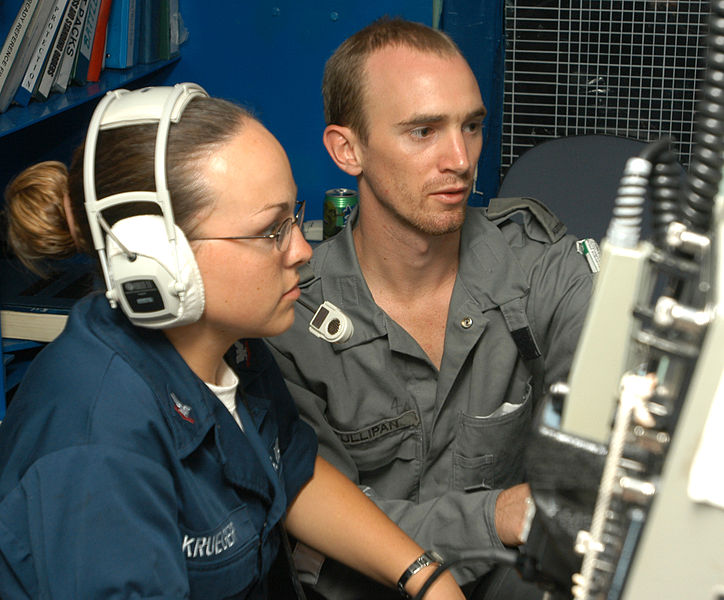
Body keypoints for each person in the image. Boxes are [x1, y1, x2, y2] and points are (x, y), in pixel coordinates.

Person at [0, 83, 466, 600]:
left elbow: (290, 468)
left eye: (294, 217)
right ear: (155, 259)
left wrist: (425, 575)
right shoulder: (95, 449)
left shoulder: (230, 343)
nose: (302, 250)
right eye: (271, 231)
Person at [265, 17, 596, 600]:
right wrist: (495, 516)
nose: (460, 159)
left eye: (471, 127)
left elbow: (606, 444)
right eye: (422, 131)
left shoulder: (543, 269)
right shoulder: (289, 317)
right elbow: (319, 524)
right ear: (348, 150)